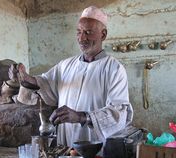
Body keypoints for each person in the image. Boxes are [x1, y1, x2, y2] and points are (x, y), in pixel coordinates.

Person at [9, 6, 133, 147]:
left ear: (103, 35)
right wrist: (24, 77)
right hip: (67, 149)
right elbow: (44, 84)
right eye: (79, 32)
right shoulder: (66, 65)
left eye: (88, 32)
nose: (82, 38)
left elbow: (119, 112)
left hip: (98, 151)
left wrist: (81, 117)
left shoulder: (114, 69)